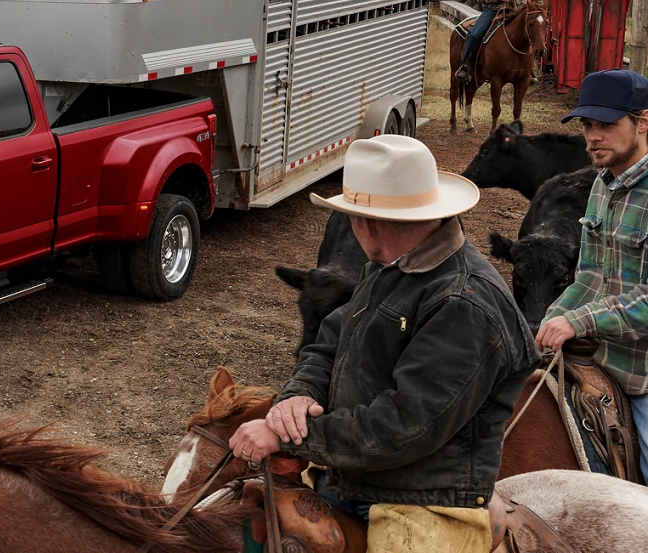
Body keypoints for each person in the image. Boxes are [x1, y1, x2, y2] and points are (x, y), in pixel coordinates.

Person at [229, 135, 539, 552]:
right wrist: (298, 395)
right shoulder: (391, 265)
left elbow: (407, 427)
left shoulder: (465, 303)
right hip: (350, 475)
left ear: (367, 223)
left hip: (426, 500)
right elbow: (331, 340)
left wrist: (287, 439)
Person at [536, 69, 648, 484]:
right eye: (587, 124)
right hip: (599, 358)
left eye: (606, 124)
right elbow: (589, 276)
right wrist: (551, 319)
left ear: (643, 122)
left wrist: (579, 321)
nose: (593, 136)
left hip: (644, 373)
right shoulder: (603, 184)